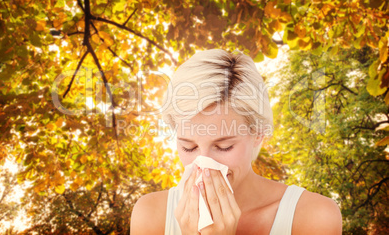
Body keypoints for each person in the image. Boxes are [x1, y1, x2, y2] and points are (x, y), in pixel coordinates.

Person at [130, 49, 342, 234]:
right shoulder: (150, 215)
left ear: (258, 133)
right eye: (189, 147)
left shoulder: (314, 216)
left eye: (224, 147)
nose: (204, 165)